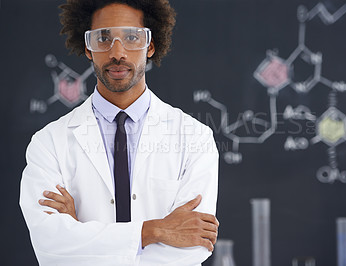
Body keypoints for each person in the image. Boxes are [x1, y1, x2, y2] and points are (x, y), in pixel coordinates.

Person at [19, 0, 219, 265]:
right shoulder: (49, 143)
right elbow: (50, 245)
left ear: (150, 45)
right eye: (103, 38)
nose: (117, 52)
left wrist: (83, 236)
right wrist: (154, 230)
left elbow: (193, 246)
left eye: (132, 37)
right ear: (88, 48)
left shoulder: (195, 138)